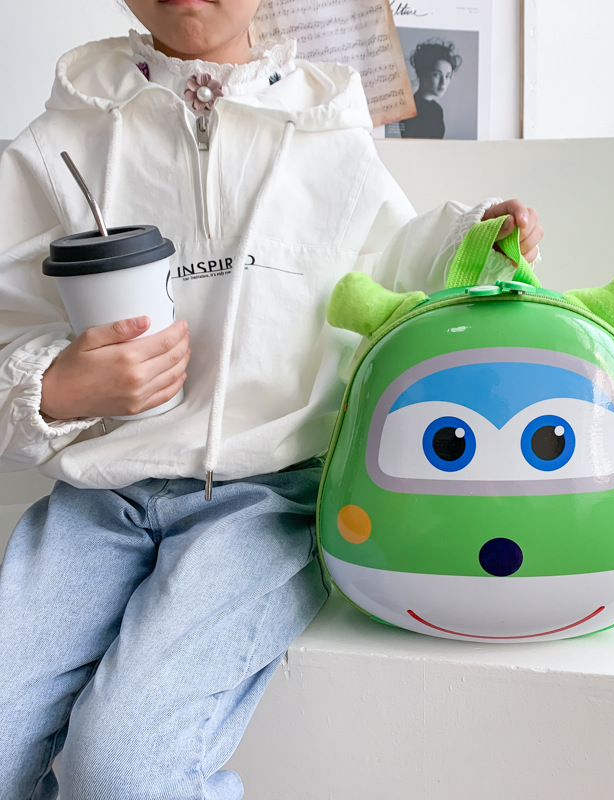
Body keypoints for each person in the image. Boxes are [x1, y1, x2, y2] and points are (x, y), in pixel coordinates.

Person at [0, 0, 543, 797]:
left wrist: (473, 239)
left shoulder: (325, 128)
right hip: (94, 503)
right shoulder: (58, 140)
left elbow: (390, 267)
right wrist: (55, 386)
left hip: (265, 500)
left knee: (120, 773)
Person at [400, 38, 461, 139]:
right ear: (422, 74)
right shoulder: (409, 110)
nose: (443, 82)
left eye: (447, 76)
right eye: (437, 75)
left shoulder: (437, 110)